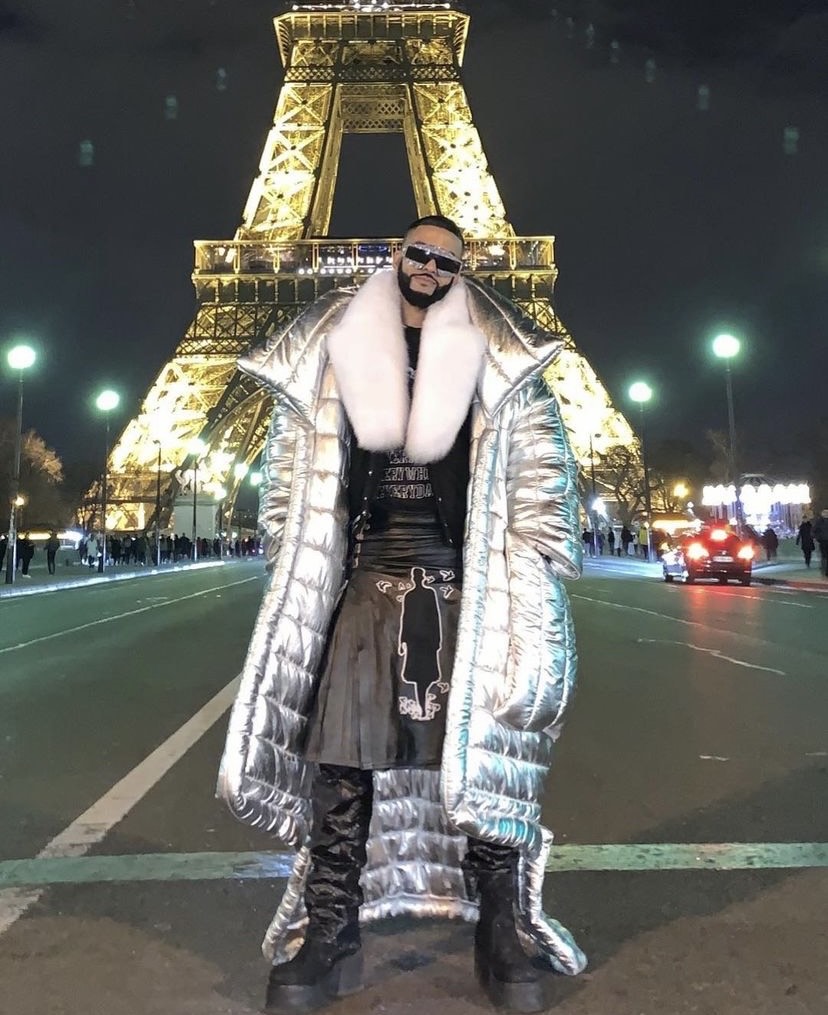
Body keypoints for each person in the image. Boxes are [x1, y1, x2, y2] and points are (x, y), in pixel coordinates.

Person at [218, 215, 586, 1013]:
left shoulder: (500, 356)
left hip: (467, 578)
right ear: (397, 256)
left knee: (485, 749)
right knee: (339, 758)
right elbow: (295, 482)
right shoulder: (335, 348)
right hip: (368, 573)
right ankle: (330, 923)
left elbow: (540, 490)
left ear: (459, 268)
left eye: (445, 258)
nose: (428, 266)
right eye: (417, 252)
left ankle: (498, 925)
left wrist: (532, 595)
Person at [812, 509, 828, 577]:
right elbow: (813, 531)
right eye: (825, 513)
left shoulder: (819, 521)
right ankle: (824, 571)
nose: (826, 514)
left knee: (825, 556)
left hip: (824, 540)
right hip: (823, 541)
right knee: (824, 556)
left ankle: (825, 571)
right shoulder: (819, 521)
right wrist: (818, 538)